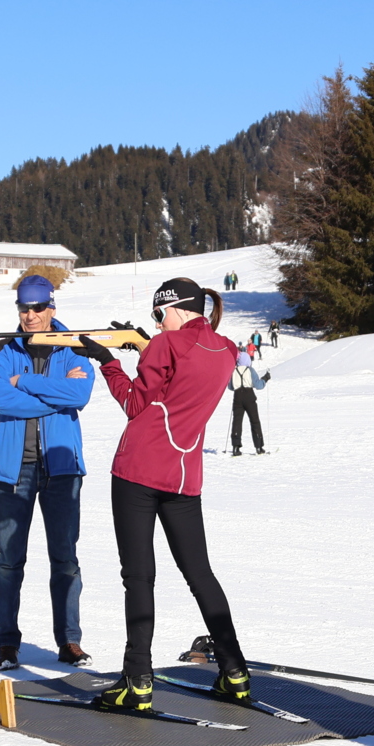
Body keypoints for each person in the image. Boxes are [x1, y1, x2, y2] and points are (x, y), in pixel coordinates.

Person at [72, 277, 252, 713]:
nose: (158, 322)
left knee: (139, 576)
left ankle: (137, 679)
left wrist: (107, 362)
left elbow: (136, 404)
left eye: (159, 314)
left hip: (138, 469)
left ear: (176, 309)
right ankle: (235, 672)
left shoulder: (164, 347)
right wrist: (145, 346)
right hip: (185, 475)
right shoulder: (225, 351)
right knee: (201, 574)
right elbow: (182, 378)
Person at [0, 274, 95, 671]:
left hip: (62, 468)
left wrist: (26, 382)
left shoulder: (75, 348)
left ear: (52, 309)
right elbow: (3, 401)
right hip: (13, 469)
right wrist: (54, 396)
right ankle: (7, 645)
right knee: (10, 560)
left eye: (37, 308)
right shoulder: (0, 351)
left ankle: (70, 642)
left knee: (65, 559)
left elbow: (80, 395)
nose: (30, 316)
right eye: (23, 309)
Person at [229, 350, 270, 455]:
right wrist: (265, 379)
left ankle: (235, 447)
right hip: (249, 395)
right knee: (254, 420)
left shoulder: (233, 371)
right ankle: (259, 447)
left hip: (237, 396)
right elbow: (258, 385)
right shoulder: (250, 370)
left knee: (237, 421)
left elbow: (230, 387)